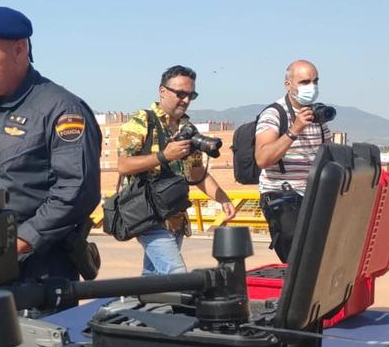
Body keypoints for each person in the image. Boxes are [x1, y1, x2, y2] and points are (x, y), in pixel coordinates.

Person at [0, 6, 102, 285]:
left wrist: (21, 242)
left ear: (19, 49)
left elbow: (76, 191)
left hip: (41, 274)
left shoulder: (61, 110)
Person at [116, 66, 236, 273]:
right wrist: (164, 156)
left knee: (156, 282)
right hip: (148, 216)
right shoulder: (142, 121)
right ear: (162, 92)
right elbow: (123, 165)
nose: (186, 100)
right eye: (180, 94)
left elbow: (197, 174)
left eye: (191, 95)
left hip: (175, 216)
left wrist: (223, 198)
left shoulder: (188, 129)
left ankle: (147, 303)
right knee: (177, 275)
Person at [254, 59, 332, 262]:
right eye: (305, 82)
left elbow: (329, 155)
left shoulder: (317, 115)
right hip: (283, 196)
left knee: (323, 257)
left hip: (312, 196)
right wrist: (294, 130)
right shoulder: (274, 114)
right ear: (288, 85)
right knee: (299, 259)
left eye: (315, 81)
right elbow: (262, 159)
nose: (312, 87)